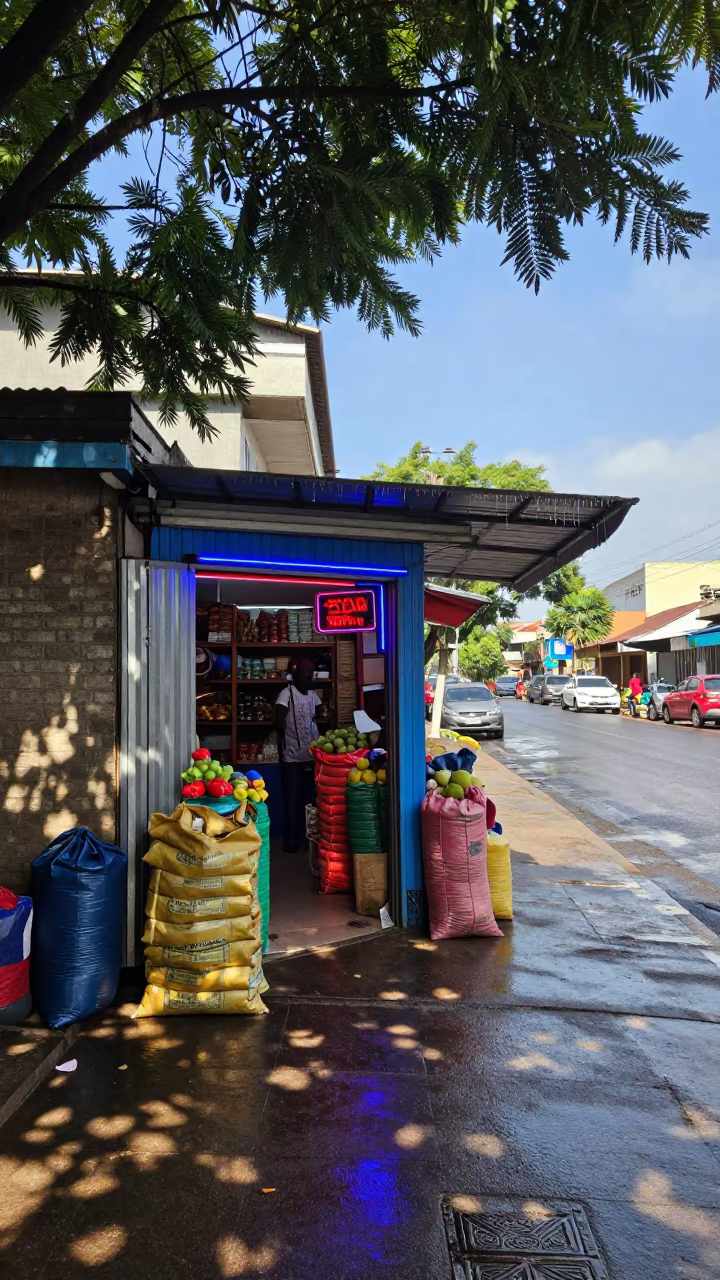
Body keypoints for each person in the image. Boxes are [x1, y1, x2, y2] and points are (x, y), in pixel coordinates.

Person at [274, 657, 322, 852]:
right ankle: (291, 841)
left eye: (311, 674)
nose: (309, 677)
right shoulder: (287, 694)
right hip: (292, 758)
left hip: (311, 756)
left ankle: (307, 839)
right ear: (295, 675)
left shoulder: (313, 696)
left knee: (309, 800)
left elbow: (318, 718)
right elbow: (277, 721)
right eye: (305, 674)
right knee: (292, 801)